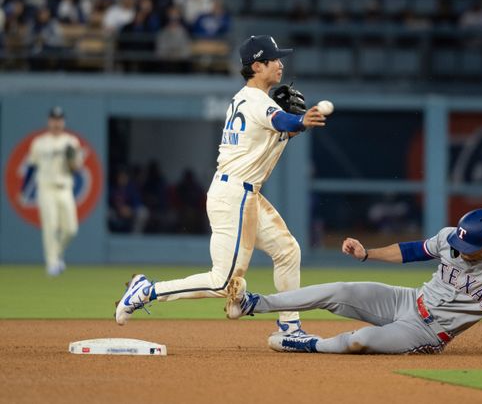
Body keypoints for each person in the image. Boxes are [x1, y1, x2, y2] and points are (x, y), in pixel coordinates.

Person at [115, 35, 327, 338]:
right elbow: (282, 122)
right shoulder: (255, 101)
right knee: (221, 281)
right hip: (234, 196)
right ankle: (146, 291)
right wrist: (301, 120)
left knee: (287, 251)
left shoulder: (247, 100)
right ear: (257, 65)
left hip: (243, 193)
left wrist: (293, 125)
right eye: (273, 59)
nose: (280, 64)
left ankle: (289, 326)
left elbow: (273, 133)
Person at [224, 208, 482, 358]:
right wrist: (367, 254)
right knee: (340, 289)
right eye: (459, 243)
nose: (460, 250)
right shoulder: (453, 236)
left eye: (470, 248)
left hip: (428, 332)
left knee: (359, 342)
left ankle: (306, 344)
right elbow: (413, 250)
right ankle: (253, 303)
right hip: (407, 300)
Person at [21, 107, 83, 276]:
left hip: (65, 188)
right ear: (49, 121)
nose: (56, 123)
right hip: (46, 188)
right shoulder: (39, 142)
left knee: (71, 229)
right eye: (54, 119)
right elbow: (31, 167)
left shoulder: (71, 141)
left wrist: (72, 161)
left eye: (59, 119)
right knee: (50, 226)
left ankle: (57, 254)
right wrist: (24, 190)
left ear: (63, 122)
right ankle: (52, 263)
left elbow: (77, 168)